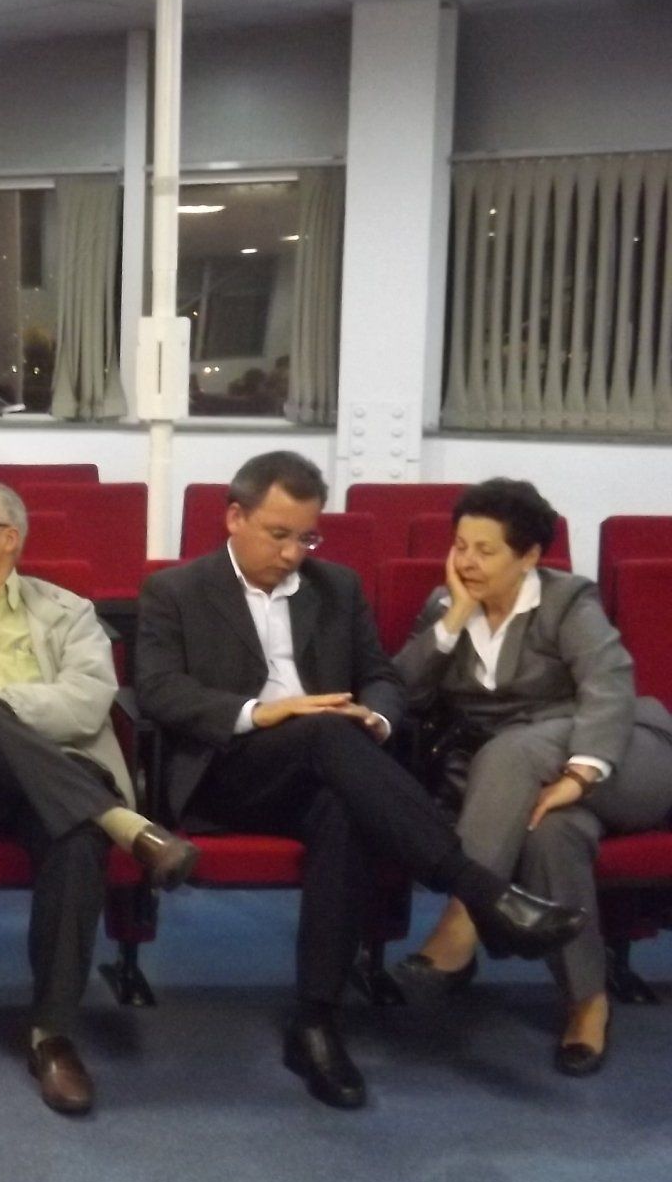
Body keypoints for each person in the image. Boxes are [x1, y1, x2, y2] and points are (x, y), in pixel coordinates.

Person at [135, 451, 586, 1110]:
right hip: (228, 771)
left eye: (307, 537)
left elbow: (382, 677)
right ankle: (481, 891)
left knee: (343, 807)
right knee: (322, 733)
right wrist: (263, 712)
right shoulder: (176, 590)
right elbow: (157, 692)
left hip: (329, 764)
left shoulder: (336, 587)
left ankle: (316, 1022)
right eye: (278, 535)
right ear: (234, 518)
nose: (293, 553)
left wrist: (373, 716)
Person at [0, 482, 199, 1115]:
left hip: (58, 786)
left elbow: (87, 705)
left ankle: (52, 1036)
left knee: (74, 831)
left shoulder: (69, 612)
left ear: (10, 538)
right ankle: (128, 825)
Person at [393, 479, 672, 1075]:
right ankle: (587, 1002)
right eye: (460, 546)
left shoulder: (568, 601)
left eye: (485, 550)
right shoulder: (444, 605)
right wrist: (453, 619)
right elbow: (401, 694)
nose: (467, 561)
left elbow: (608, 688)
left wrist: (579, 774)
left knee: (513, 750)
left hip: (622, 760)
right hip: (530, 790)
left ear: (529, 556)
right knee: (553, 836)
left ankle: (463, 918)